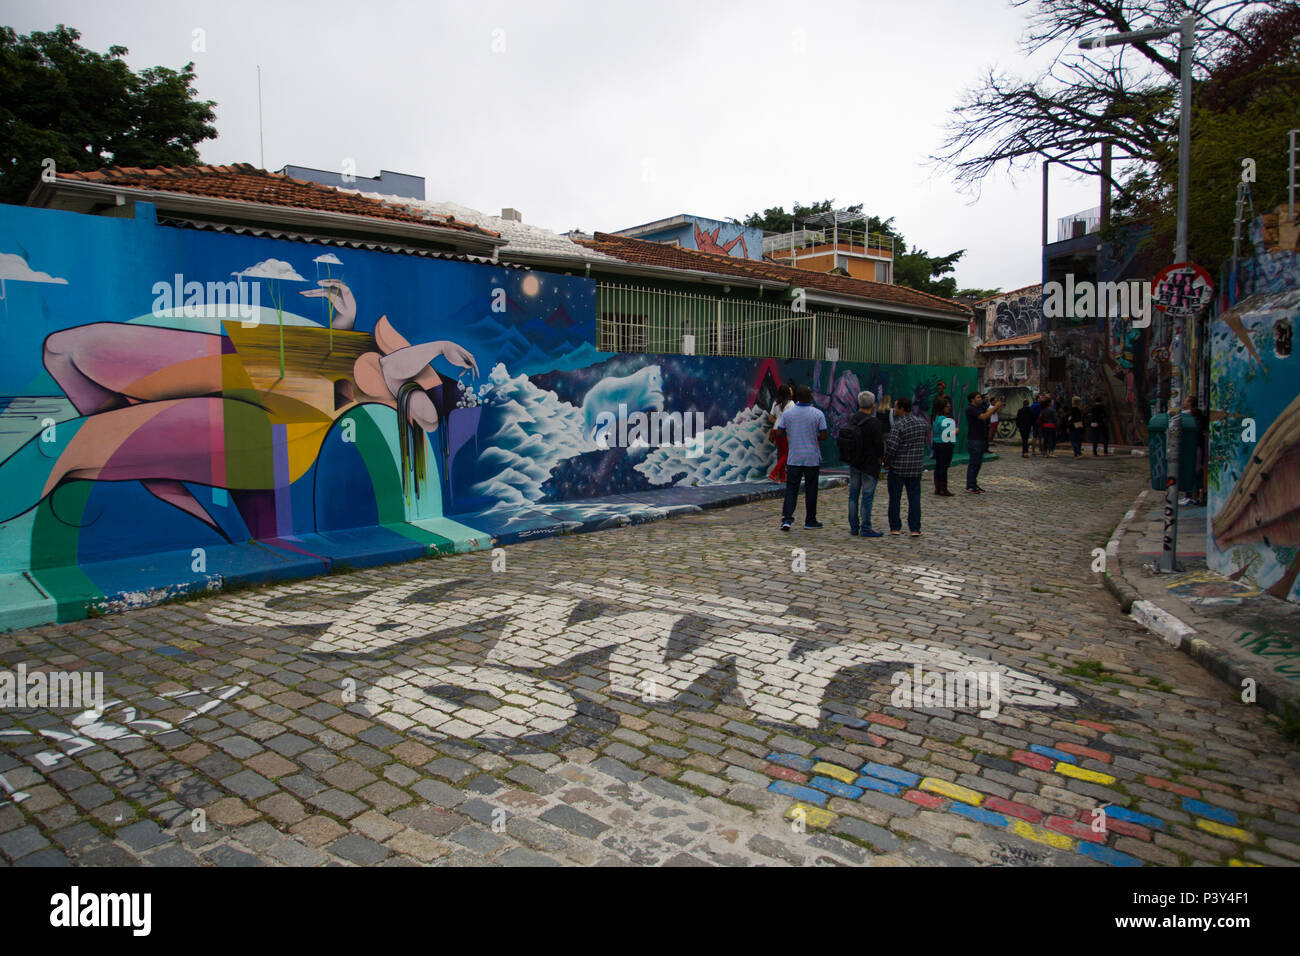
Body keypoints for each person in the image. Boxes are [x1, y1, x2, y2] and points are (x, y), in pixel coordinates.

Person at [775, 384, 828, 531]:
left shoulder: (788, 414)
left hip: (794, 457)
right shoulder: (818, 414)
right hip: (812, 457)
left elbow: (779, 433)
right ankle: (810, 520)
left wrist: (791, 434)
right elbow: (824, 435)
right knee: (811, 489)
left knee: (791, 489)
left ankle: (787, 519)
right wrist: (813, 434)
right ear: (810, 396)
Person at [840, 390, 886, 537]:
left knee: (853, 495)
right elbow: (879, 445)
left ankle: (854, 526)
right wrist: (881, 458)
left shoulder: (851, 418)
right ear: (872, 405)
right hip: (869, 464)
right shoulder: (875, 423)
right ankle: (866, 527)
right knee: (867, 496)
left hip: (854, 461)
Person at [883, 397, 928, 536]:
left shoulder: (899, 425)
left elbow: (892, 446)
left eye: (896, 407)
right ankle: (915, 528)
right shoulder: (922, 423)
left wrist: (887, 462)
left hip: (898, 468)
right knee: (914, 499)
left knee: (895, 498)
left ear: (902, 409)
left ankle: (895, 526)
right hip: (915, 467)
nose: (894, 410)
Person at [964, 391, 1001, 493]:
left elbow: (990, 412)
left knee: (978, 463)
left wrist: (997, 406)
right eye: (978, 397)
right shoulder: (970, 409)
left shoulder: (979, 407)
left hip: (980, 438)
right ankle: (970, 485)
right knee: (974, 462)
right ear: (972, 399)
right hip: (974, 439)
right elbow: (984, 417)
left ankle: (973, 483)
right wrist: (995, 407)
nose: (980, 399)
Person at [931, 396, 957, 496]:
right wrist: (956, 431)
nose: (949, 407)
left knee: (939, 466)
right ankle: (943, 488)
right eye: (947, 406)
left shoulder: (936, 417)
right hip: (945, 444)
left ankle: (938, 487)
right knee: (943, 467)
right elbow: (948, 433)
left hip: (938, 444)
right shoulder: (944, 419)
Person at [768, 384, 794, 483]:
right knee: (785, 455)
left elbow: (770, 417)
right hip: (784, 431)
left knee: (782, 453)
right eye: (790, 390)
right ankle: (773, 474)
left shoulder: (775, 403)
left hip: (776, 429)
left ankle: (783, 478)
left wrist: (777, 422)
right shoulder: (791, 404)